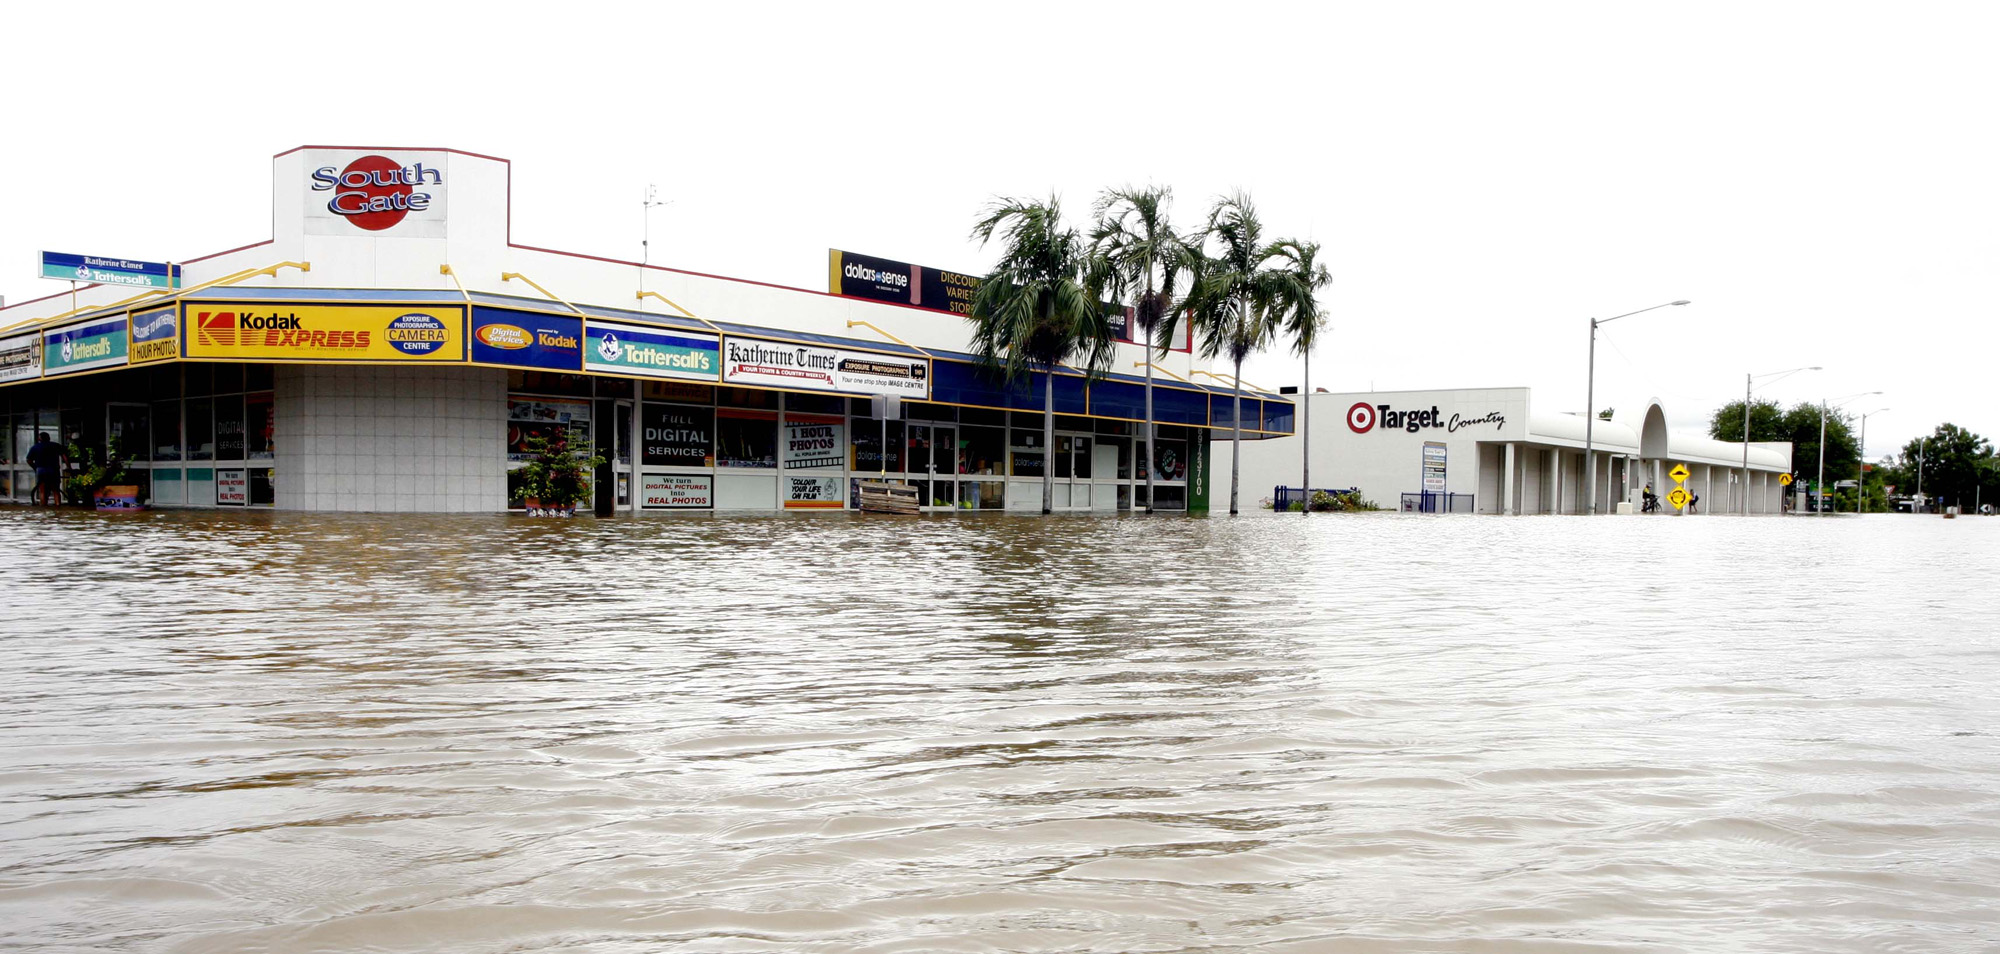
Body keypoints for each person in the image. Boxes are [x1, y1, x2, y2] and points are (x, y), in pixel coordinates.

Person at [26, 432, 64, 506]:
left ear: (39, 439)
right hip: (53, 470)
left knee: (42, 491)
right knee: (56, 490)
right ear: (49, 438)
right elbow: (64, 456)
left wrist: (35, 468)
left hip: (41, 470)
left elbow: (29, 460)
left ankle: (43, 508)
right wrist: (69, 467)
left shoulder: (35, 447)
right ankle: (58, 506)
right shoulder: (56, 445)